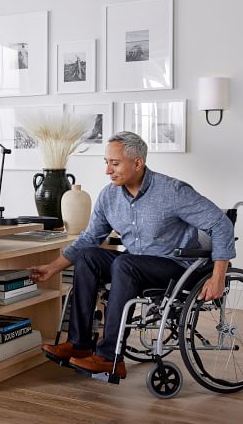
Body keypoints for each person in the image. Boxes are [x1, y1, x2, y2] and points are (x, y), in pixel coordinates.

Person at [30, 131, 235, 378]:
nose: (108, 170)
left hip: (176, 267)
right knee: (89, 256)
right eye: (106, 163)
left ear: (137, 162)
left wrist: (218, 276)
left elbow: (220, 223)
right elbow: (89, 238)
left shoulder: (172, 191)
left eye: (114, 163)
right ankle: (80, 345)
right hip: (135, 264)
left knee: (125, 264)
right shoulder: (109, 196)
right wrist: (53, 267)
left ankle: (110, 358)